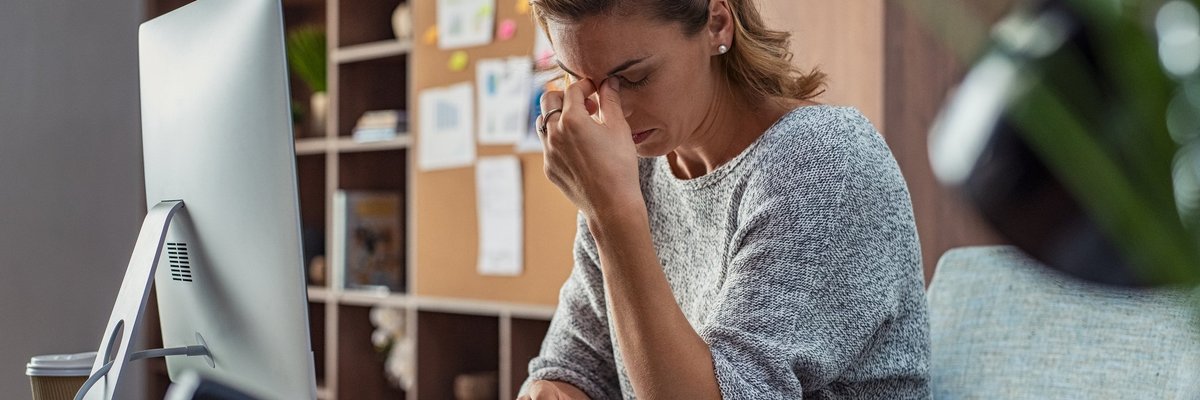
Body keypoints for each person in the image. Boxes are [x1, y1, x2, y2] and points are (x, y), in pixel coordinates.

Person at [519, 0, 930, 399]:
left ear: (717, 24)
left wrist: (612, 215)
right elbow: (579, 365)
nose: (612, 112)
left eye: (634, 78)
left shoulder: (823, 161)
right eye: (581, 82)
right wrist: (552, 392)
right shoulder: (634, 173)